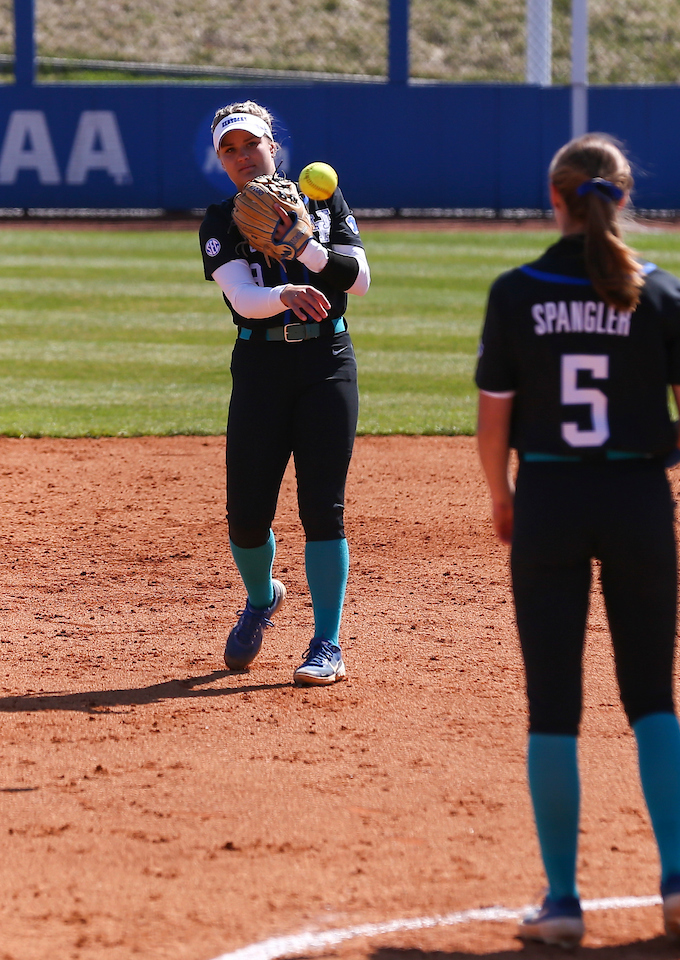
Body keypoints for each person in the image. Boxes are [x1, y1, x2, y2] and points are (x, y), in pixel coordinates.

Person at [474, 133, 680, 947]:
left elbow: (493, 425)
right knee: (653, 700)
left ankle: (564, 900)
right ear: (622, 198)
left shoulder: (517, 291)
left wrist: (504, 496)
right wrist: (644, 467)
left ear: (556, 200)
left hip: (548, 496)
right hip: (638, 499)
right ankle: (679, 884)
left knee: (555, 708)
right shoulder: (663, 293)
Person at [199, 101, 370, 686]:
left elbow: (360, 280)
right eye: (230, 149)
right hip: (261, 366)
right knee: (246, 517)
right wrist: (286, 293)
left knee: (323, 507)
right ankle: (263, 596)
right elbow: (244, 299)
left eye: (252, 144)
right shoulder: (221, 219)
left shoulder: (323, 201)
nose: (243, 156)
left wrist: (304, 245)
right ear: (221, 161)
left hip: (327, 361)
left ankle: (327, 642)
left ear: (274, 146)